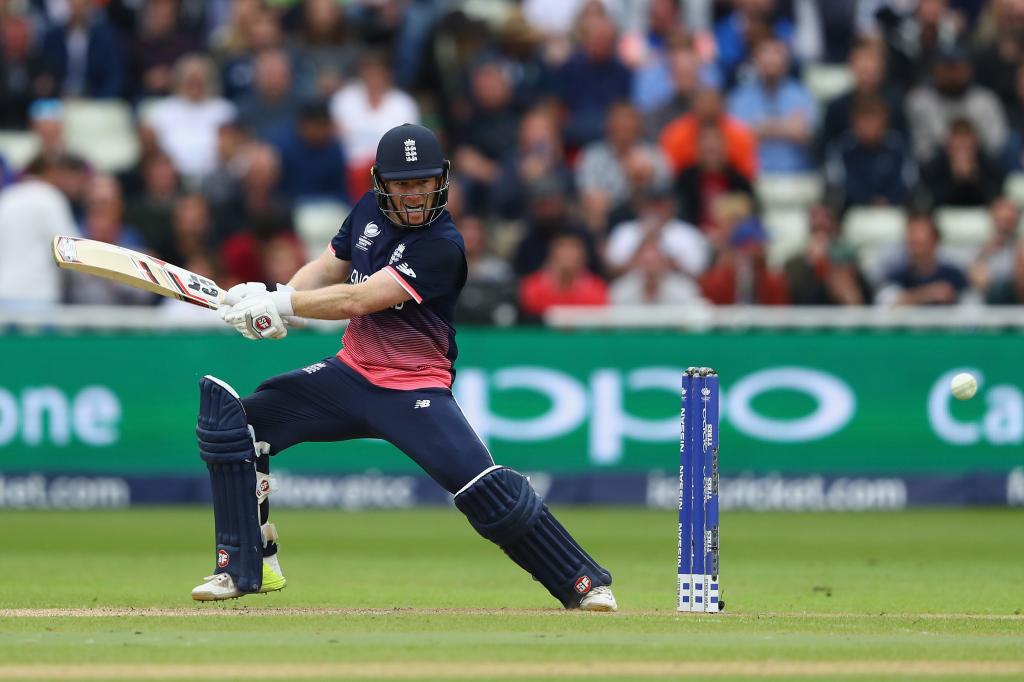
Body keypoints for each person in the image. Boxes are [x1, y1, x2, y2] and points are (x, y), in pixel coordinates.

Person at [192, 124, 617, 612]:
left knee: (486, 493)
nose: (415, 194)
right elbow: (330, 268)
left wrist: (284, 303)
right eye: (403, 183)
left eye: (424, 182)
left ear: (441, 181)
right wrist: (274, 296)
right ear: (381, 183)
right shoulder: (367, 212)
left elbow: (361, 297)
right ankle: (247, 565)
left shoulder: (443, 244)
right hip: (349, 376)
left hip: (413, 391)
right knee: (238, 426)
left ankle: (584, 582)